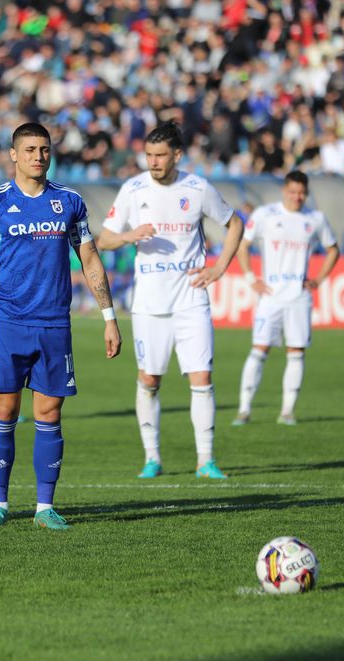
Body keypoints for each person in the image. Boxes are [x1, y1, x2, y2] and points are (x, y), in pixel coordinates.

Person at [0, 122, 121, 531]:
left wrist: (109, 318)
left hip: (54, 324)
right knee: (4, 409)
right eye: (30, 150)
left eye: (45, 150)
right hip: (8, 323)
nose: (39, 157)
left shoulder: (69, 202)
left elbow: (90, 260)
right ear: (13, 155)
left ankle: (44, 507)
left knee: (49, 412)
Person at [96, 121, 245, 480]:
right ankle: (152, 458)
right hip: (149, 303)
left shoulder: (197, 188)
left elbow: (235, 224)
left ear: (177, 155)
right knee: (149, 379)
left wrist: (219, 267)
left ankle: (205, 461)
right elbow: (104, 240)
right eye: (149, 155)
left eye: (160, 155)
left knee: (202, 376)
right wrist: (130, 235)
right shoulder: (133, 189)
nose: (153, 161)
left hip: (191, 299)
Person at [234, 170, 340, 426]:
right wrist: (251, 278)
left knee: (296, 352)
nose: (297, 197)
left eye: (301, 193)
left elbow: (333, 250)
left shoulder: (315, 219)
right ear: (284, 191)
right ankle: (244, 410)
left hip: (299, 298)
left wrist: (318, 280)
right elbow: (243, 245)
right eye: (292, 192)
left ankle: (287, 412)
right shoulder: (265, 214)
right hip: (270, 297)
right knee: (259, 350)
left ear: (307, 193)